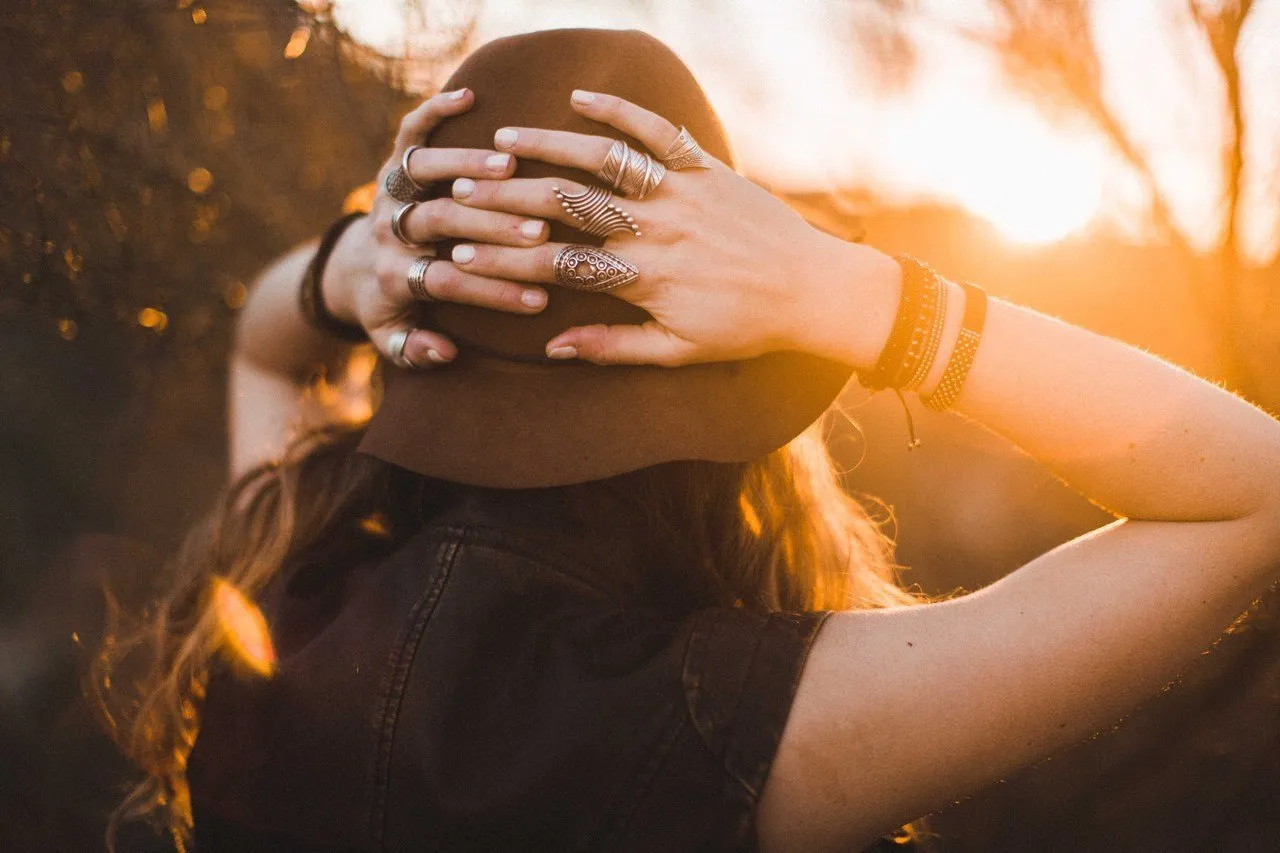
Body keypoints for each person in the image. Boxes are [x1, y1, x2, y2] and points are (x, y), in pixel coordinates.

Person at [91, 28, 1280, 853]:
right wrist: (855, 296)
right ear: (722, 371)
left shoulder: (280, 594)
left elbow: (263, 345)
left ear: (411, 322)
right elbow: (1248, 492)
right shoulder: (727, 731)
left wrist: (355, 262)